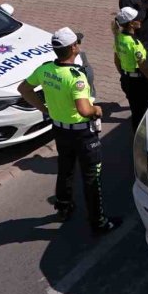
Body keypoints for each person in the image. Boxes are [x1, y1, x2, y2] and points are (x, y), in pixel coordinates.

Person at [17, 28, 121, 234]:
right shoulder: (76, 77)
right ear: (73, 47)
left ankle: (63, 207)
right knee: (92, 176)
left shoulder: (45, 69)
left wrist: (44, 109)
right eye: (77, 43)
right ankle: (99, 222)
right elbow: (84, 109)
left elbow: (24, 89)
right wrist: (96, 110)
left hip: (59, 130)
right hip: (82, 134)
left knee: (65, 169)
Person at [114, 7, 148, 133]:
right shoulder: (135, 43)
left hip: (126, 80)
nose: (140, 19)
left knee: (135, 111)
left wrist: (125, 75)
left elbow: (116, 61)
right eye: (137, 18)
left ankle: (136, 136)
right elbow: (145, 69)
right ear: (131, 23)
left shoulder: (118, 37)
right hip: (139, 83)